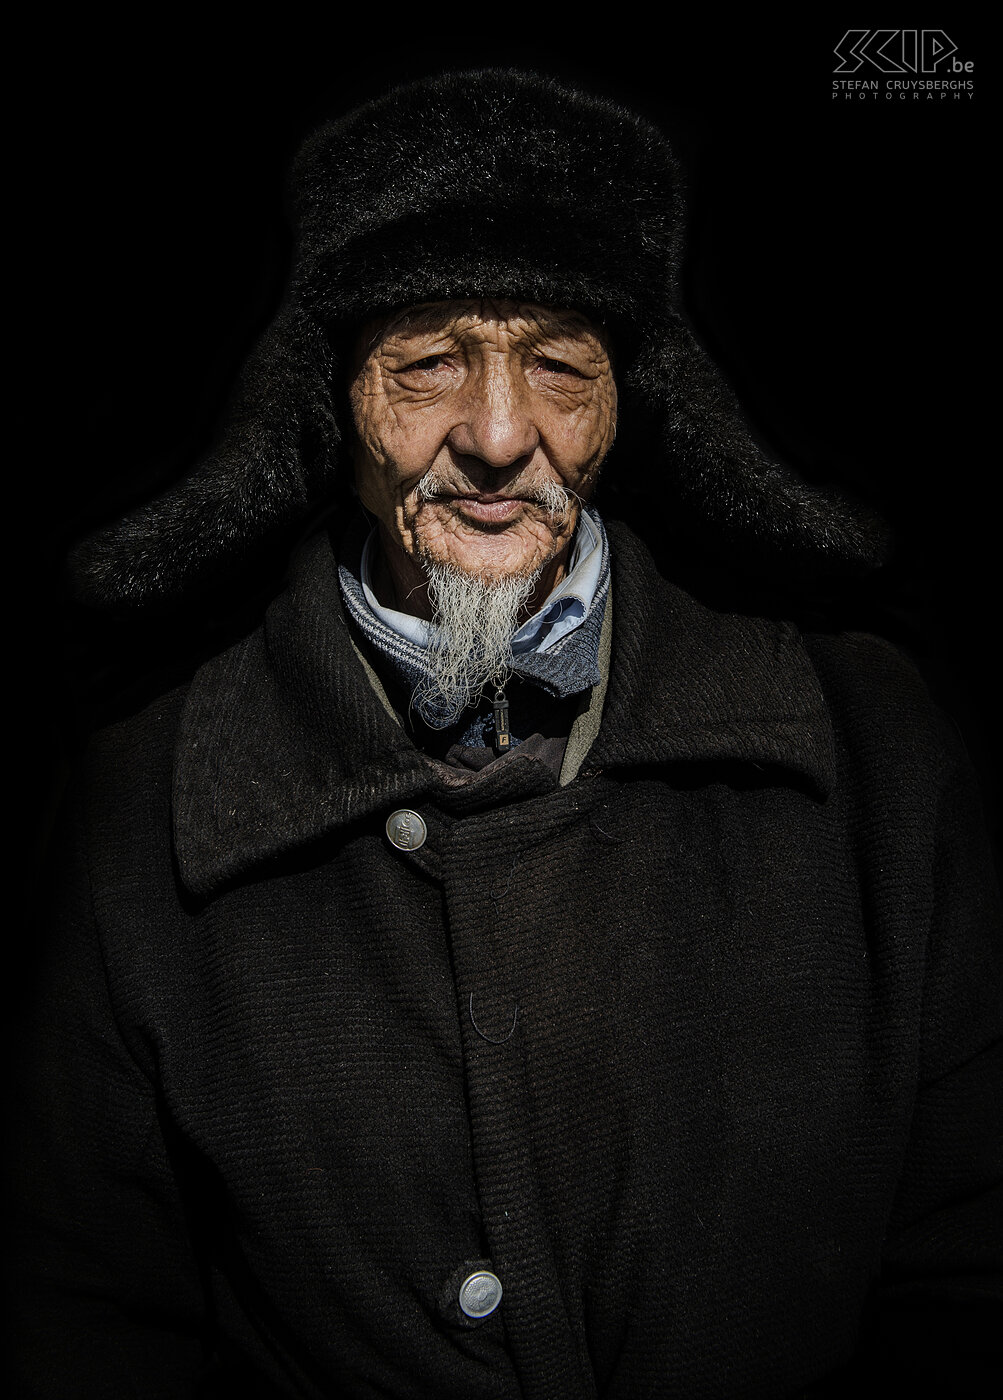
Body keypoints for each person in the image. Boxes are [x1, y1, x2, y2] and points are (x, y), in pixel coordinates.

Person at [12, 70, 1001, 1398]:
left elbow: (971, 1273)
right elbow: (84, 1323)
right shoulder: (148, 800)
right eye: (426, 362)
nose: (494, 435)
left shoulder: (874, 754)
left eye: (559, 366)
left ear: (628, 403)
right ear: (332, 398)